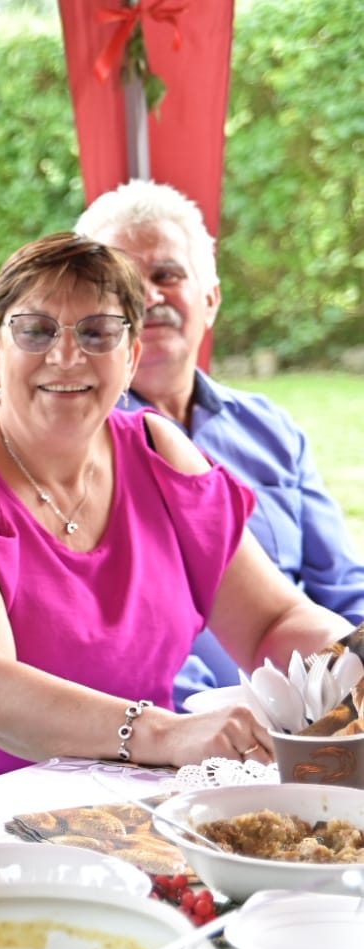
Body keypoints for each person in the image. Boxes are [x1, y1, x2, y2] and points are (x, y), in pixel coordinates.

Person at [0, 233, 352, 786]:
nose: (66, 356)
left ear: (130, 358)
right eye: (35, 331)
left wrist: (353, 662)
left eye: (97, 332)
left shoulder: (159, 451)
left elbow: (274, 621)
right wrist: (164, 734)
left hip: (122, 794)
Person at [74, 180, 364, 703]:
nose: (149, 296)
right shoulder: (74, 448)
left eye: (167, 275)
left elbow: (343, 587)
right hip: (175, 722)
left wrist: (345, 698)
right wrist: (211, 723)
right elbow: (111, 641)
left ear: (210, 300)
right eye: (124, 283)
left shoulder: (269, 428)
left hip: (317, 707)